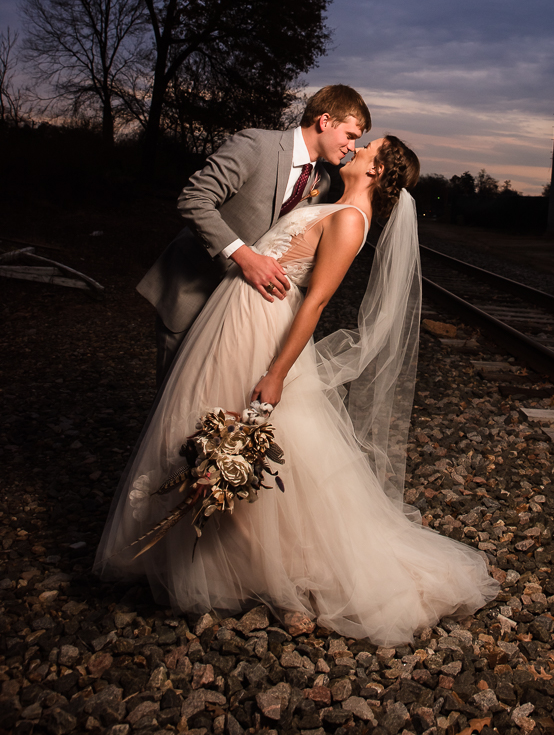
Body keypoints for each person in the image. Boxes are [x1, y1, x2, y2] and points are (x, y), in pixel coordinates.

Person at [96, 135, 499, 645]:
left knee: (254, 439)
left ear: (377, 171)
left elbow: (316, 303)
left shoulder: (351, 220)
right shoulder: (332, 202)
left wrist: (277, 373)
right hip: (236, 316)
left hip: (263, 330)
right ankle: (215, 555)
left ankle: (268, 569)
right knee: (204, 424)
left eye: (368, 146)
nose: (358, 147)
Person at [137, 85, 371, 384]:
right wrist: (244, 256)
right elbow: (194, 199)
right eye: (350, 136)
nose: (352, 147)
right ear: (325, 121)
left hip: (241, 313)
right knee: (174, 401)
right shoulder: (256, 143)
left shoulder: (321, 181)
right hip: (195, 288)